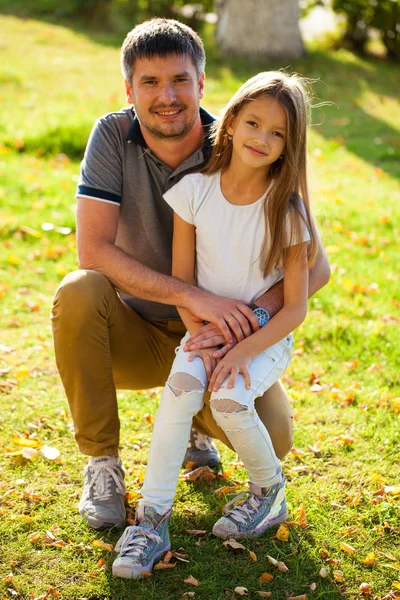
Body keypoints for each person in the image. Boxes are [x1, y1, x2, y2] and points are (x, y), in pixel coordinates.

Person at [51, 19, 330, 534]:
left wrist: (248, 322)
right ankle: (103, 464)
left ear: (202, 84)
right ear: (129, 90)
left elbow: (317, 268)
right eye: (150, 83)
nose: (167, 96)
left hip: (220, 340)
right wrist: (197, 299)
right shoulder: (112, 135)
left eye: (180, 79)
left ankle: (199, 433)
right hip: (135, 332)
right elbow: (92, 249)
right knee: (79, 290)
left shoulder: (241, 140)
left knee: (276, 435)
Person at [112, 70, 318, 579]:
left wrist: (244, 351)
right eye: (253, 122)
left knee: (228, 400)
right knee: (180, 390)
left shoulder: (286, 209)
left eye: (278, 134)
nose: (261, 139)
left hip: (264, 339)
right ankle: (152, 518)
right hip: (206, 328)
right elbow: (183, 282)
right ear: (229, 123)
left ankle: (269, 492)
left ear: (290, 146)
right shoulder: (195, 191)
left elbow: (295, 308)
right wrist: (199, 334)